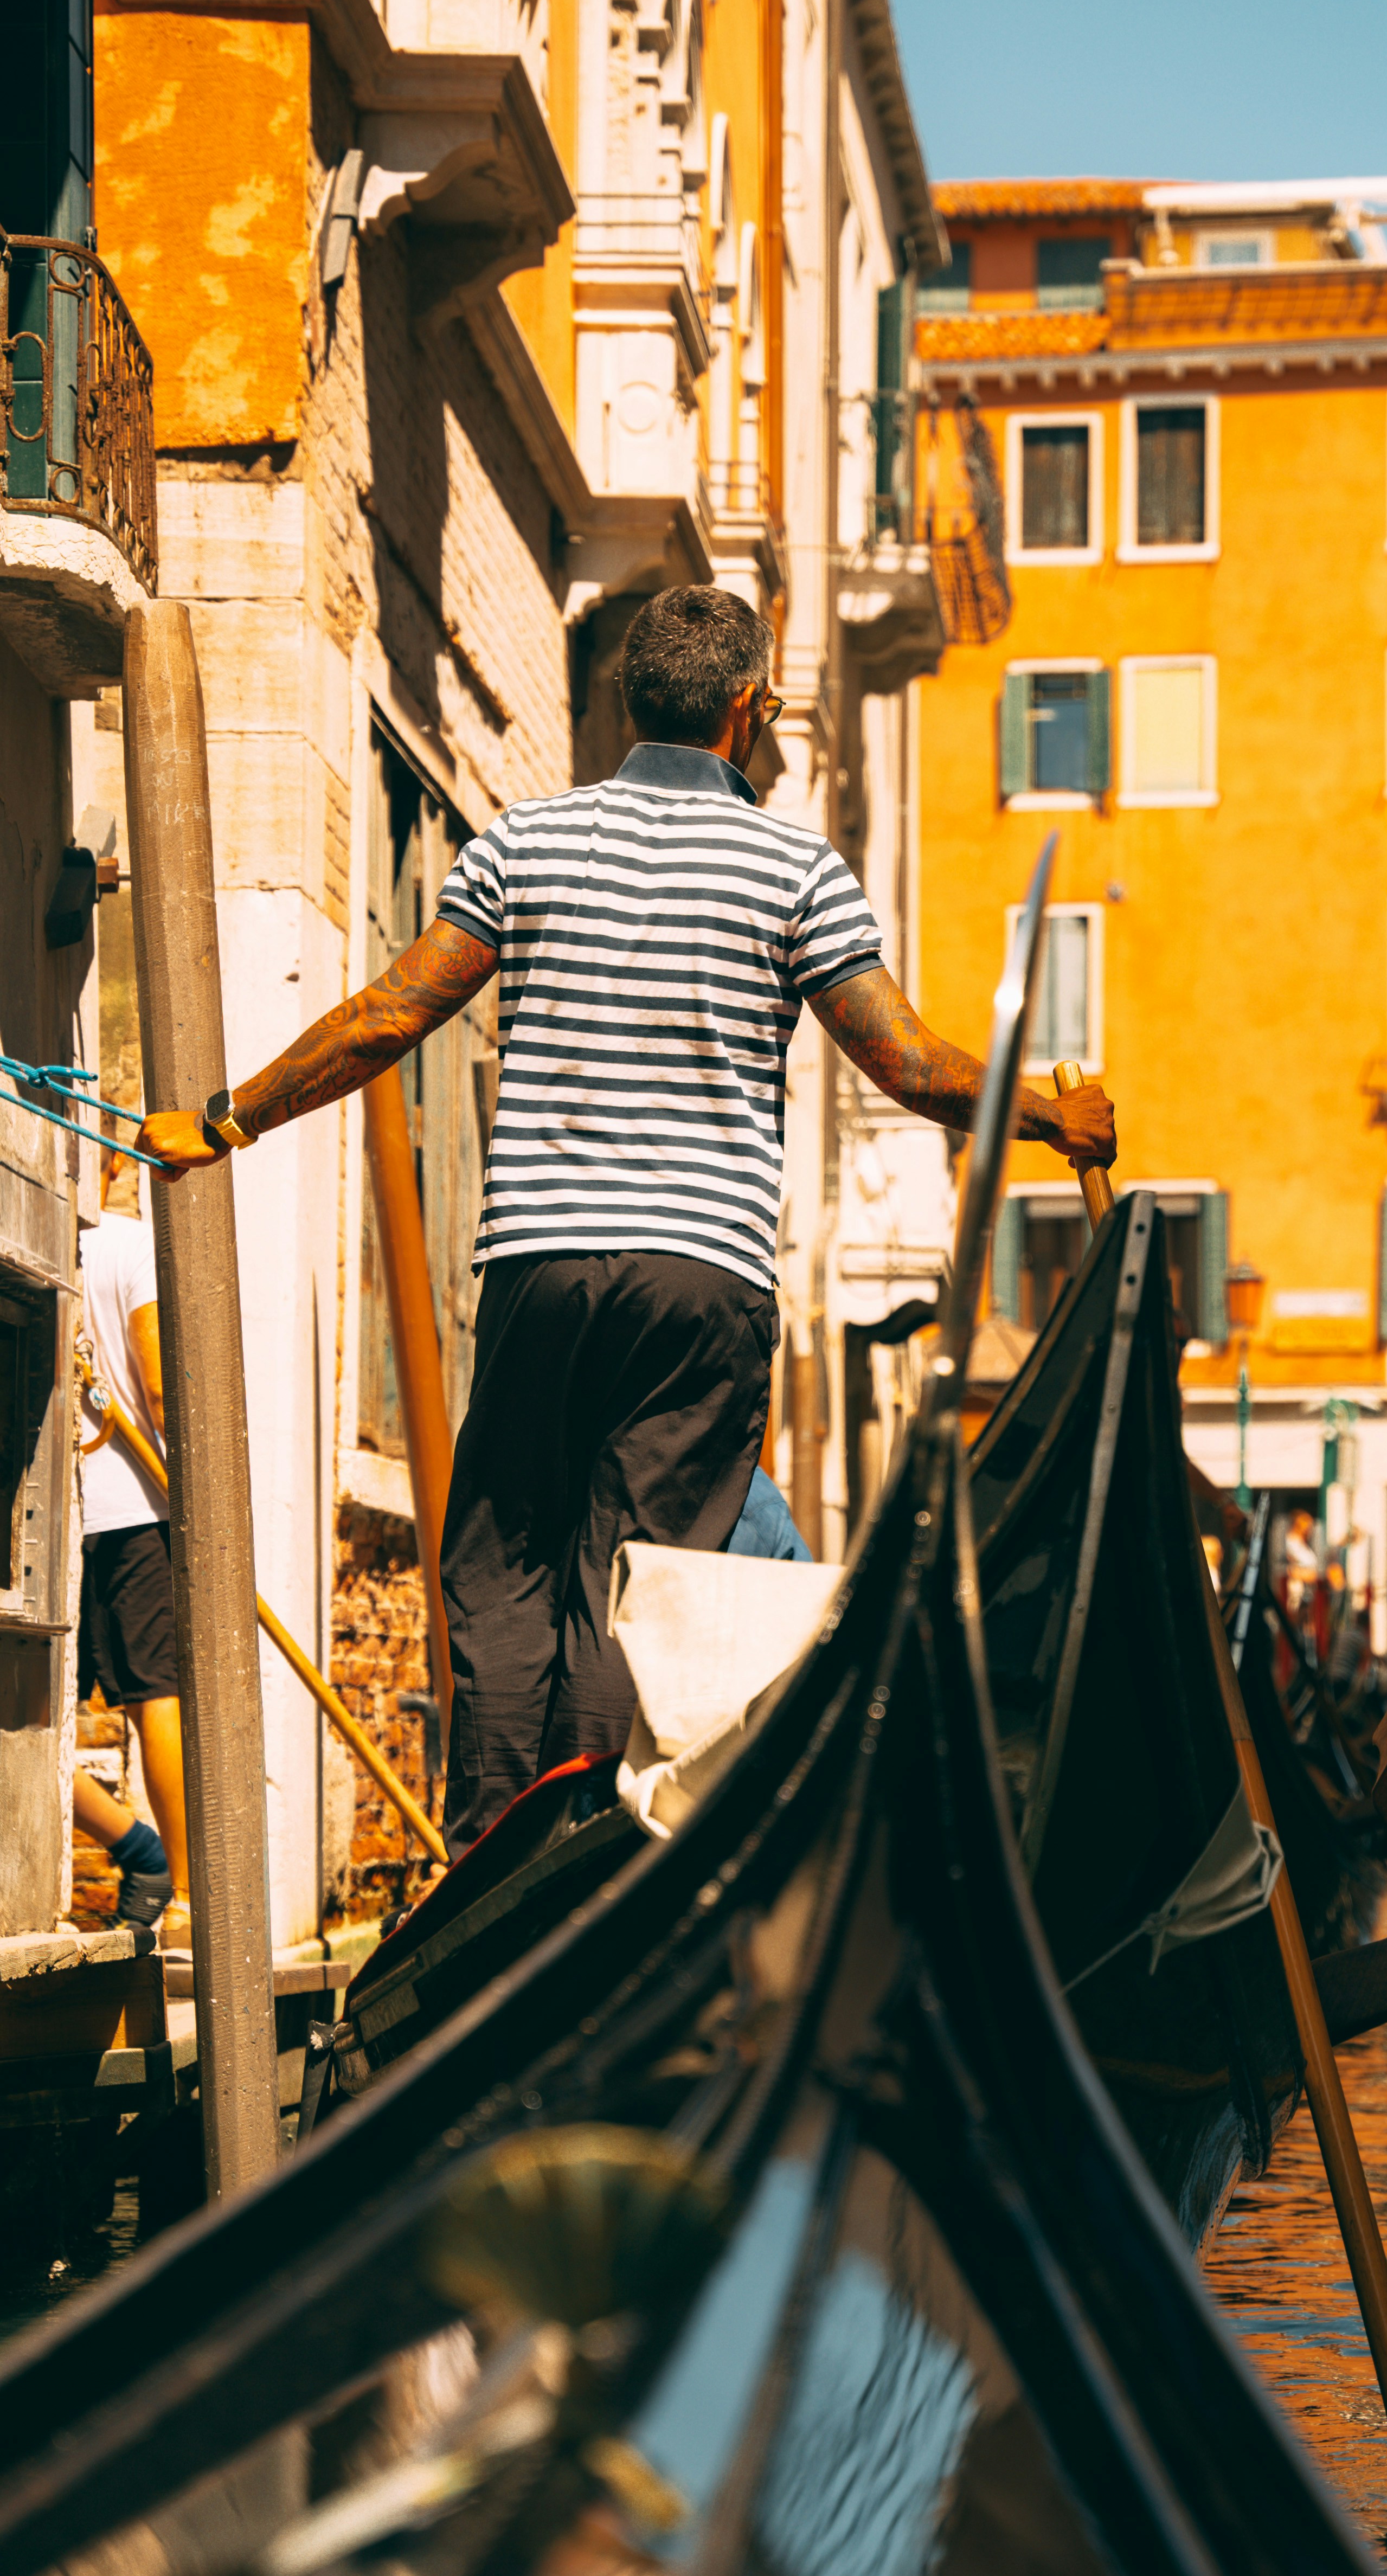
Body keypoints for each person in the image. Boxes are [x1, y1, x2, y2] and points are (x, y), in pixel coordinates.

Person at [138, 589, 1114, 1853]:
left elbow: (389, 1016)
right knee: (636, 1579)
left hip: (542, 1265)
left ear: (622, 702)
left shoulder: (524, 841)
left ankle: (489, 1859)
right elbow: (911, 1065)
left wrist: (222, 1119)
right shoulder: (792, 869)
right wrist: (1047, 1111)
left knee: (501, 1573)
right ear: (747, 709)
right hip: (700, 1280)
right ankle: (589, 1855)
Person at [75, 1149, 187, 1933]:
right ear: (113, 1162)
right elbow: (156, 1383)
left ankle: (142, 1856)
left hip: (45, 1514)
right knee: (158, 1697)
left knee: (29, 1712)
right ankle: (173, 1889)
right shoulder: (129, 1244)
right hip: (137, 1506)